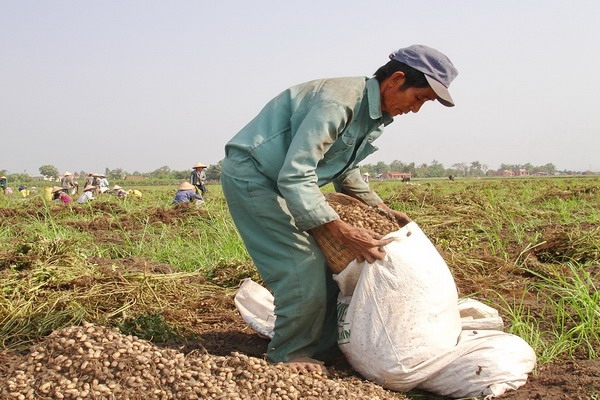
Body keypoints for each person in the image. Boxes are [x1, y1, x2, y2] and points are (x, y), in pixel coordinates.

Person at [220, 44, 458, 374]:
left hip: (286, 181)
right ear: (396, 79)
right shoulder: (339, 101)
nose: (415, 109)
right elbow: (297, 173)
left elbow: (344, 168)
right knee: (301, 263)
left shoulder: (376, 114)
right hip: (254, 175)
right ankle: (289, 356)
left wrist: (381, 210)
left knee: (334, 270)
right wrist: (340, 230)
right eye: (419, 98)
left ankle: (327, 347)